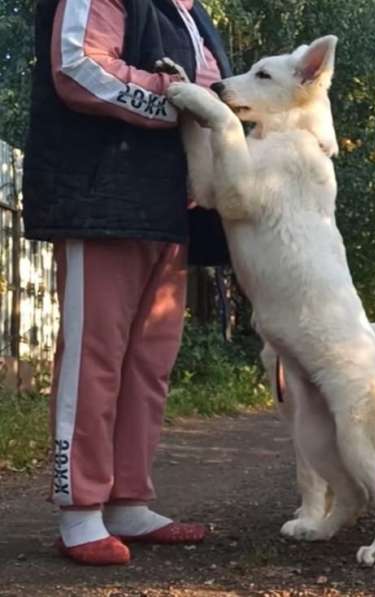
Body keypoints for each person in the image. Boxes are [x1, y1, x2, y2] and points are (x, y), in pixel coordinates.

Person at [22, 0, 230, 566]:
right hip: (101, 197)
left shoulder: (193, 12)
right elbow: (78, 68)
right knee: (95, 356)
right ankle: (80, 509)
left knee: (149, 363)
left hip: (169, 209)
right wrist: (178, 103)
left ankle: (127, 500)